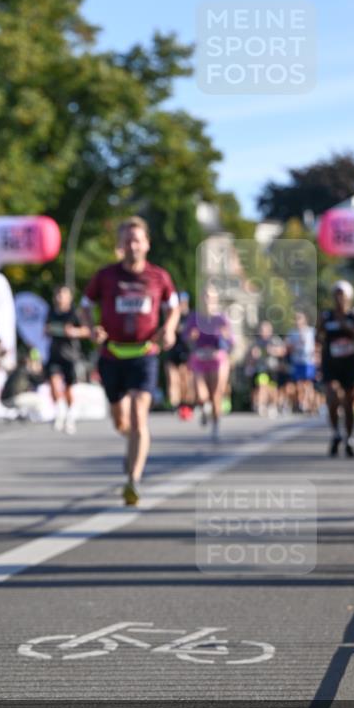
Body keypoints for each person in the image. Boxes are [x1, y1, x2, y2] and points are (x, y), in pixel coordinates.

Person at [80, 216, 179, 505]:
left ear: (146, 244)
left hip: (144, 354)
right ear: (119, 246)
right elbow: (85, 305)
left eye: (137, 240)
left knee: (138, 415)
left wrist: (169, 328)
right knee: (120, 420)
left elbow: (172, 307)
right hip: (112, 355)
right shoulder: (106, 276)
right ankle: (132, 444)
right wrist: (91, 328)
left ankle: (133, 479)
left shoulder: (159, 276)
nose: (132, 246)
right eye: (126, 241)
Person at [317, 280, 354, 457]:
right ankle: (335, 433)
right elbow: (318, 337)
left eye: (342, 294)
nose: (339, 298)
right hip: (331, 364)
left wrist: (350, 328)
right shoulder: (326, 316)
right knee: (332, 397)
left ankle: (349, 438)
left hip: (350, 365)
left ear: (349, 297)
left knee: (349, 403)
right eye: (336, 294)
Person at [184, 286, 233, 443]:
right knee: (201, 394)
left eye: (211, 297)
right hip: (199, 358)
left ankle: (216, 427)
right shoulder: (195, 317)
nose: (208, 300)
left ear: (216, 299)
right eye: (205, 296)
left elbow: (231, 341)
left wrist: (226, 337)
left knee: (216, 395)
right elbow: (185, 336)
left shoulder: (221, 318)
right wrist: (191, 337)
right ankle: (205, 409)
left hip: (217, 358)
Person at [45, 285, 89, 435]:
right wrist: (47, 330)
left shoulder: (74, 313)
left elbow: (87, 330)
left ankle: (70, 415)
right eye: (57, 295)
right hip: (54, 354)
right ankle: (60, 411)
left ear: (69, 297)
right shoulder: (51, 312)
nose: (59, 298)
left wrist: (74, 332)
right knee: (53, 383)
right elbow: (46, 329)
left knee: (69, 388)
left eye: (62, 295)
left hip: (70, 356)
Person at [164, 292, 196, 420]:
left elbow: (195, 334)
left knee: (186, 382)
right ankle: (174, 405)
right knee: (173, 380)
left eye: (183, 302)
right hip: (172, 352)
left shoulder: (191, 317)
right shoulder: (172, 315)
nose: (181, 305)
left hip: (187, 352)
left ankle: (187, 405)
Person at [244, 320, 285, 417]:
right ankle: (261, 405)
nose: (264, 332)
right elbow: (248, 357)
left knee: (273, 389)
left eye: (266, 330)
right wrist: (253, 356)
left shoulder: (275, 340)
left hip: (273, 368)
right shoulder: (256, 342)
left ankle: (273, 405)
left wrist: (273, 351)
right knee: (262, 385)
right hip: (261, 369)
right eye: (262, 330)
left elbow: (283, 351)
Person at [286, 311, 317, 414]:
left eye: (299, 319)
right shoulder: (292, 333)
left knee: (308, 383)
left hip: (308, 361)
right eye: (296, 319)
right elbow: (288, 347)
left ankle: (310, 404)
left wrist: (316, 356)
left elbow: (317, 345)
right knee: (299, 384)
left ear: (305, 320)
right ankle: (302, 403)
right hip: (297, 361)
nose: (297, 321)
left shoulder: (311, 331)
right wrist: (294, 345)